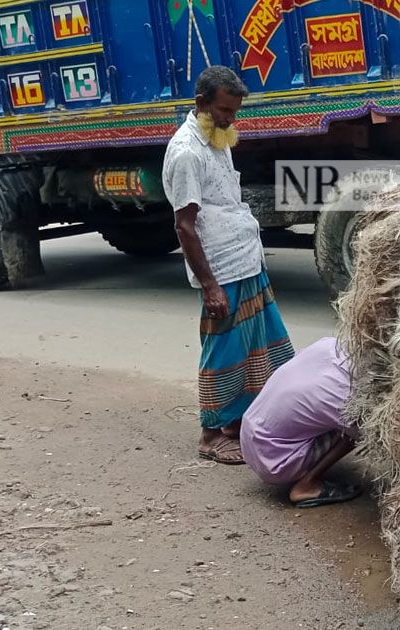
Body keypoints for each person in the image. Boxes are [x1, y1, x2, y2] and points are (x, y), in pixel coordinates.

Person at [163, 66, 295, 465]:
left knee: (260, 346)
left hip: (245, 260)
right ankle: (210, 434)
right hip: (221, 269)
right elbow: (185, 226)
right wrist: (210, 286)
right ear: (201, 103)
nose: (230, 118)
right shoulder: (187, 151)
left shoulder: (217, 138)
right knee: (223, 350)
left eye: (234, 111)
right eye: (223, 110)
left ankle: (239, 423)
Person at [241, 338, 361, 508]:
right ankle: (307, 485)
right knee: (362, 424)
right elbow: (370, 434)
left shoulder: (330, 344)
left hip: (250, 435)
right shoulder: (342, 393)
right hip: (276, 461)